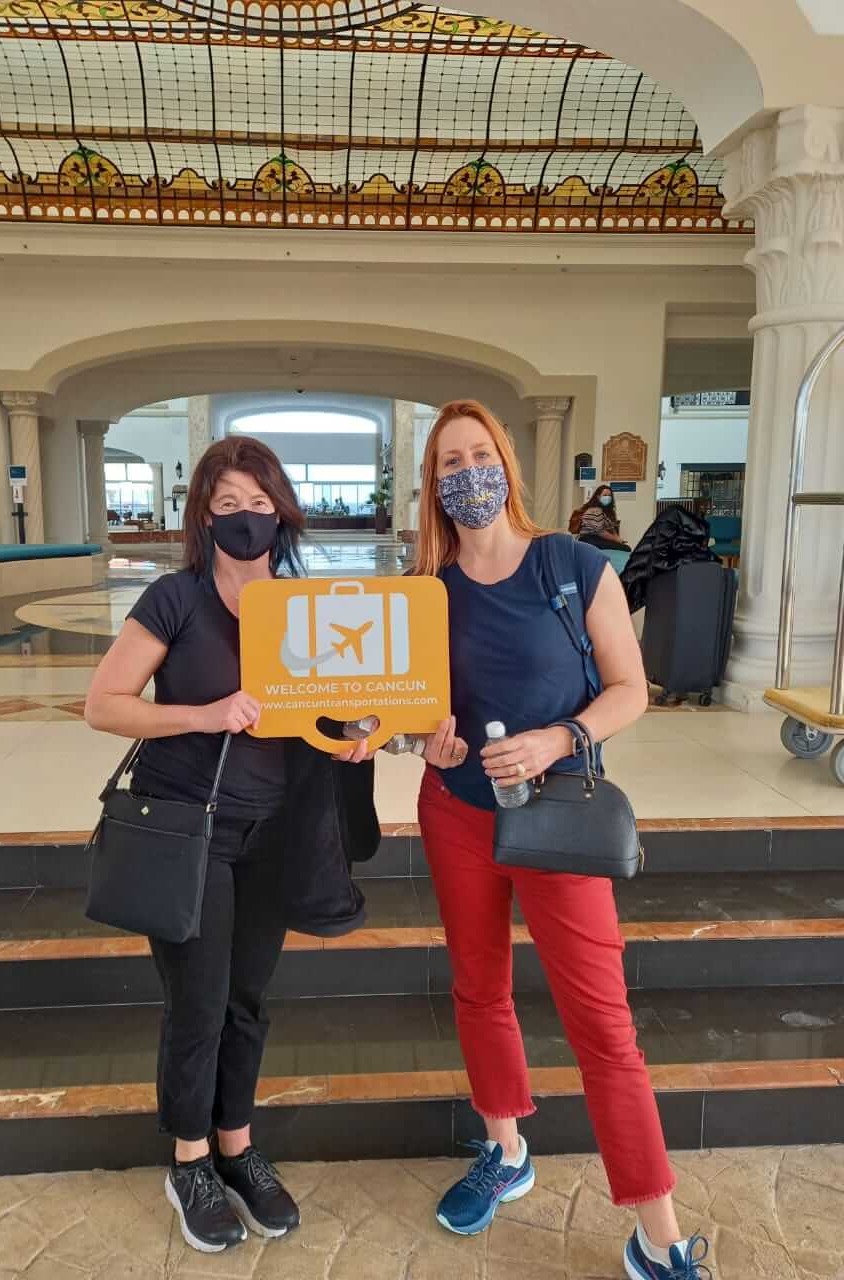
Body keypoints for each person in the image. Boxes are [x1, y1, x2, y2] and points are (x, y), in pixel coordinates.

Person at [409, 401, 712, 1280]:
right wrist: (429, 738)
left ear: (506, 462)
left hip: (559, 822)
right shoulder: (424, 591)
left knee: (604, 1026)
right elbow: (417, 708)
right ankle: (505, 1152)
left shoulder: (572, 565)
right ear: (434, 484)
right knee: (479, 989)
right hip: (459, 813)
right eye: (449, 463)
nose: (468, 473)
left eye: (479, 454)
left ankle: (657, 1236)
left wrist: (559, 737)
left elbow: (629, 689)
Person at [85, 436, 376, 1256]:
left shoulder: (309, 607)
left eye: (259, 505)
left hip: (279, 834)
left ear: (281, 512)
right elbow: (104, 704)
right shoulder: (174, 600)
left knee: (248, 1001)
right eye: (227, 507)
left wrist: (357, 732)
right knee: (200, 1004)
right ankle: (189, 1161)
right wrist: (203, 714)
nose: (246, 520)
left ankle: (238, 1147)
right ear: (202, 518)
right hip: (193, 830)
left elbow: (333, 711)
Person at [575, 484, 631, 551]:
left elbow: (611, 528)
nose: (607, 497)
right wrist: (616, 539)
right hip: (589, 539)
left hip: (597, 539)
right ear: (598, 497)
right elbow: (600, 531)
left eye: (609, 495)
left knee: (624, 547)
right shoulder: (595, 510)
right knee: (626, 548)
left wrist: (618, 539)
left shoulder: (606, 511)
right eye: (604, 495)